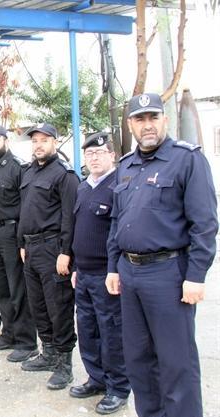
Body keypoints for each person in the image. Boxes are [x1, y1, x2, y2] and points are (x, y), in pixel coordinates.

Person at [106, 93, 218, 417]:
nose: (148, 125)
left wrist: (196, 275)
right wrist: (113, 267)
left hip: (168, 274)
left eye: (153, 117)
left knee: (176, 362)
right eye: (140, 119)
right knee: (139, 360)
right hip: (129, 273)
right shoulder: (126, 166)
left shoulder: (187, 160)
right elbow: (117, 221)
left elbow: (205, 224)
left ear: (165, 120)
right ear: (131, 125)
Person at [69, 133, 130, 414]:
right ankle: (96, 379)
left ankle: (118, 388)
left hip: (107, 276)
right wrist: (76, 267)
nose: (94, 158)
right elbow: (78, 230)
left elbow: (119, 234)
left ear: (112, 155)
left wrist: (114, 270)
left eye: (100, 153)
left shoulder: (119, 187)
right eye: (89, 154)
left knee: (112, 333)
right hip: (83, 274)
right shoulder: (83, 187)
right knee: (88, 330)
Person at [18, 123, 79, 390]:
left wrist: (66, 252)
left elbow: (70, 217)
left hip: (53, 249)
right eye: (35, 141)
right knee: (38, 305)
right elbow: (25, 211)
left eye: (44, 140)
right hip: (31, 248)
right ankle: (49, 353)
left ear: (55, 142)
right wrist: (22, 243)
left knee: (59, 307)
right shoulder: (30, 172)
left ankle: (64, 365)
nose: (38, 145)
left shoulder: (64, 175)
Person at [0, 124, 38, 363]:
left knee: (18, 289)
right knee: (1, 288)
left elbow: (26, 207)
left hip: (11, 233)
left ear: (5, 141)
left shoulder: (17, 167)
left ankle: (26, 342)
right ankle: (9, 333)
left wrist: (22, 240)